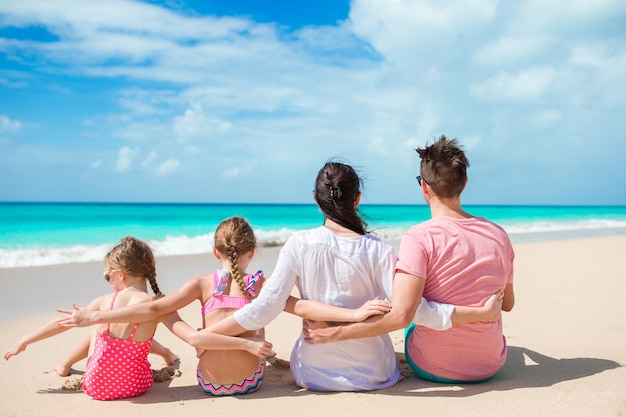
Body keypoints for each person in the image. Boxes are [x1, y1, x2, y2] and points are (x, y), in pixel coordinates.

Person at [199, 161, 501, 391]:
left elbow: (265, 308)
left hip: (313, 374)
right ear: (357, 199)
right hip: (375, 373)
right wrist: (477, 314)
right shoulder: (380, 251)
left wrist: (206, 336)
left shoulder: (299, 243)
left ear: (316, 201)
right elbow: (415, 312)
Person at [56, 217, 383, 396]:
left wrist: (95, 315)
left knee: (165, 308)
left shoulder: (201, 283)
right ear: (252, 250)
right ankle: (256, 351)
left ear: (216, 252)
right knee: (260, 315)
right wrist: (353, 314)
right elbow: (302, 307)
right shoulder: (258, 283)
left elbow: (153, 310)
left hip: (209, 384)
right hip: (249, 382)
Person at [306, 137, 515, 383]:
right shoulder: (498, 234)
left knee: (410, 314)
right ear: (465, 183)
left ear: (424, 187)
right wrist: (481, 311)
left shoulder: (419, 237)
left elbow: (403, 315)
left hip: (434, 366)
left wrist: (337, 334)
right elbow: (507, 304)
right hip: (491, 364)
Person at [5, 236, 264, 400]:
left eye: (108, 276)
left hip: (95, 387)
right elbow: (194, 338)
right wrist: (244, 343)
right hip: (137, 386)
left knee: (99, 328)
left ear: (120, 275)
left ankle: (64, 365)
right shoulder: (158, 306)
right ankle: (167, 355)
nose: (107, 281)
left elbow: (62, 324)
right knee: (126, 334)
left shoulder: (103, 304)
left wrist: (24, 341)